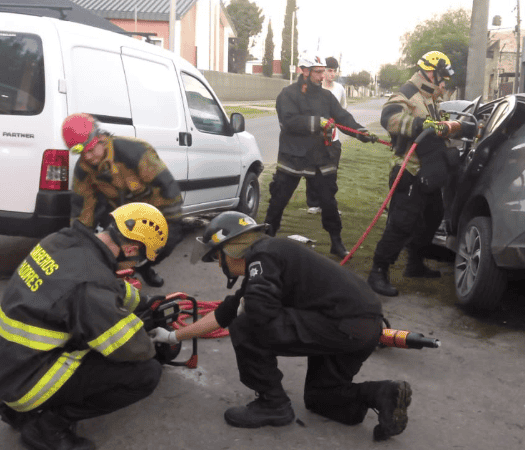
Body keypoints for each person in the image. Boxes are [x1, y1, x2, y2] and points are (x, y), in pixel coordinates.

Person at [149, 211, 413, 442]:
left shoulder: (263, 256)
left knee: (246, 326)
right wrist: (173, 336)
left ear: (230, 249)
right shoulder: (270, 256)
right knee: (322, 398)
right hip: (358, 328)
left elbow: (257, 313)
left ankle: (272, 404)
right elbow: (224, 313)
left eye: (218, 257)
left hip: (343, 325)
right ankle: (382, 393)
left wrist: (246, 307)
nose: (219, 265)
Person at [0, 203, 169, 450]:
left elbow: (94, 283)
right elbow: (130, 348)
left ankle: (11, 407)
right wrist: (152, 338)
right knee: (146, 374)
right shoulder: (91, 285)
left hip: (4, 364)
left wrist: (143, 302)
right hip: (28, 381)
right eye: (141, 259)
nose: (137, 265)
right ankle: (48, 428)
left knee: (79, 328)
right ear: (132, 248)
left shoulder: (61, 240)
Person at [367, 51, 475, 297]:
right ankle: (378, 271)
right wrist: (422, 126)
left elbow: (440, 127)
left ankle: (414, 264)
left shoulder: (431, 99)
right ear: (430, 72)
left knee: (433, 217)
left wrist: (460, 127)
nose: (445, 83)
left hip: (429, 175)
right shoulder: (407, 93)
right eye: (443, 77)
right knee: (401, 224)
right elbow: (390, 118)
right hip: (411, 172)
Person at [264, 51, 377, 258]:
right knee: (278, 200)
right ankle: (267, 238)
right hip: (293, 157)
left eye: (323, 72)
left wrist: (360, 132)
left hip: (319, 158)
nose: (321, 76)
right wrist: (317, 122)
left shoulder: (327, 96)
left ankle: (336, 242)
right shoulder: (287, 94)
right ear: (304, 71)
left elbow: (342, 117)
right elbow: (288, 122)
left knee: (328, 202)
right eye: (317, 72)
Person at [62, 112, 183, 288]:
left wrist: (166, 225)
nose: (87, 157)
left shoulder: (134, 152)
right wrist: (77, 244)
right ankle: (124, 279)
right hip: (118, 214)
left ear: (101, 138)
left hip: (152, 211)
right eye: (79, 152)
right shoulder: (84, 170)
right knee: (115, 252)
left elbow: (165, 187)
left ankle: (145, 266)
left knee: (166, 240)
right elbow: (83, 211)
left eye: (90, 149)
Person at [306, 56, 347, 215]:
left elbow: (342, 111)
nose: (331, 74)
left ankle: (328, 203)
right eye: (329, 70)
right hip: (315, 138)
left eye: (334, 71)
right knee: (314, 171)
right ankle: (313, 203)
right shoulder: (314, 88)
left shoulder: (340, 89)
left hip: (333, 139)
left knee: (331, 173)